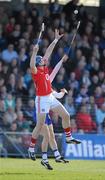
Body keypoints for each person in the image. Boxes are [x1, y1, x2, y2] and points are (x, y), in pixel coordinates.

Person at [28, 29, 81, 168]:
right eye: (42, 61)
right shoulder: (35, 72)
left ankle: (69, 137)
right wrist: (34, 52)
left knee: (66, 115)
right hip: (41, 100)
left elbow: (49, 52)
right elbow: (31, 65)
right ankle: (31, 148)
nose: (44, 60)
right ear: (39, 63)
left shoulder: (44, 69)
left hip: (50, 98)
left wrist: (55, 40)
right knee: (40, 126)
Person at [33, 88, 69, 170]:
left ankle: (57, 156)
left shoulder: (49, 89)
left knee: (51, 135)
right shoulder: (42, 87)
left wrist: (62, 92)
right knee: (47, 136)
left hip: (46, 114)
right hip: (40, 114)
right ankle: (44, 159)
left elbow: (57, 95)